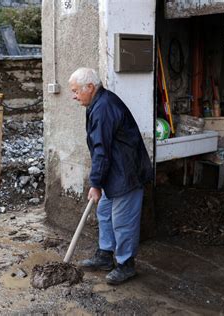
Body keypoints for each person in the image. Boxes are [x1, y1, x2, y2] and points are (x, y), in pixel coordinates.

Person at [68, 67, 153, 285]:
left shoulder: (104, 107)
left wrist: (95, 183)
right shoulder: (97, 103)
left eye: (76, 91)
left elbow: (101, 149)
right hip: (113, 171)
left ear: (90, 87)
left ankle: (126, 264)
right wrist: (100, 180)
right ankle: (105, 256)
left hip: (126, 173)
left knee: (123, 221)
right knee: (105, 213)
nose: (74, 96)